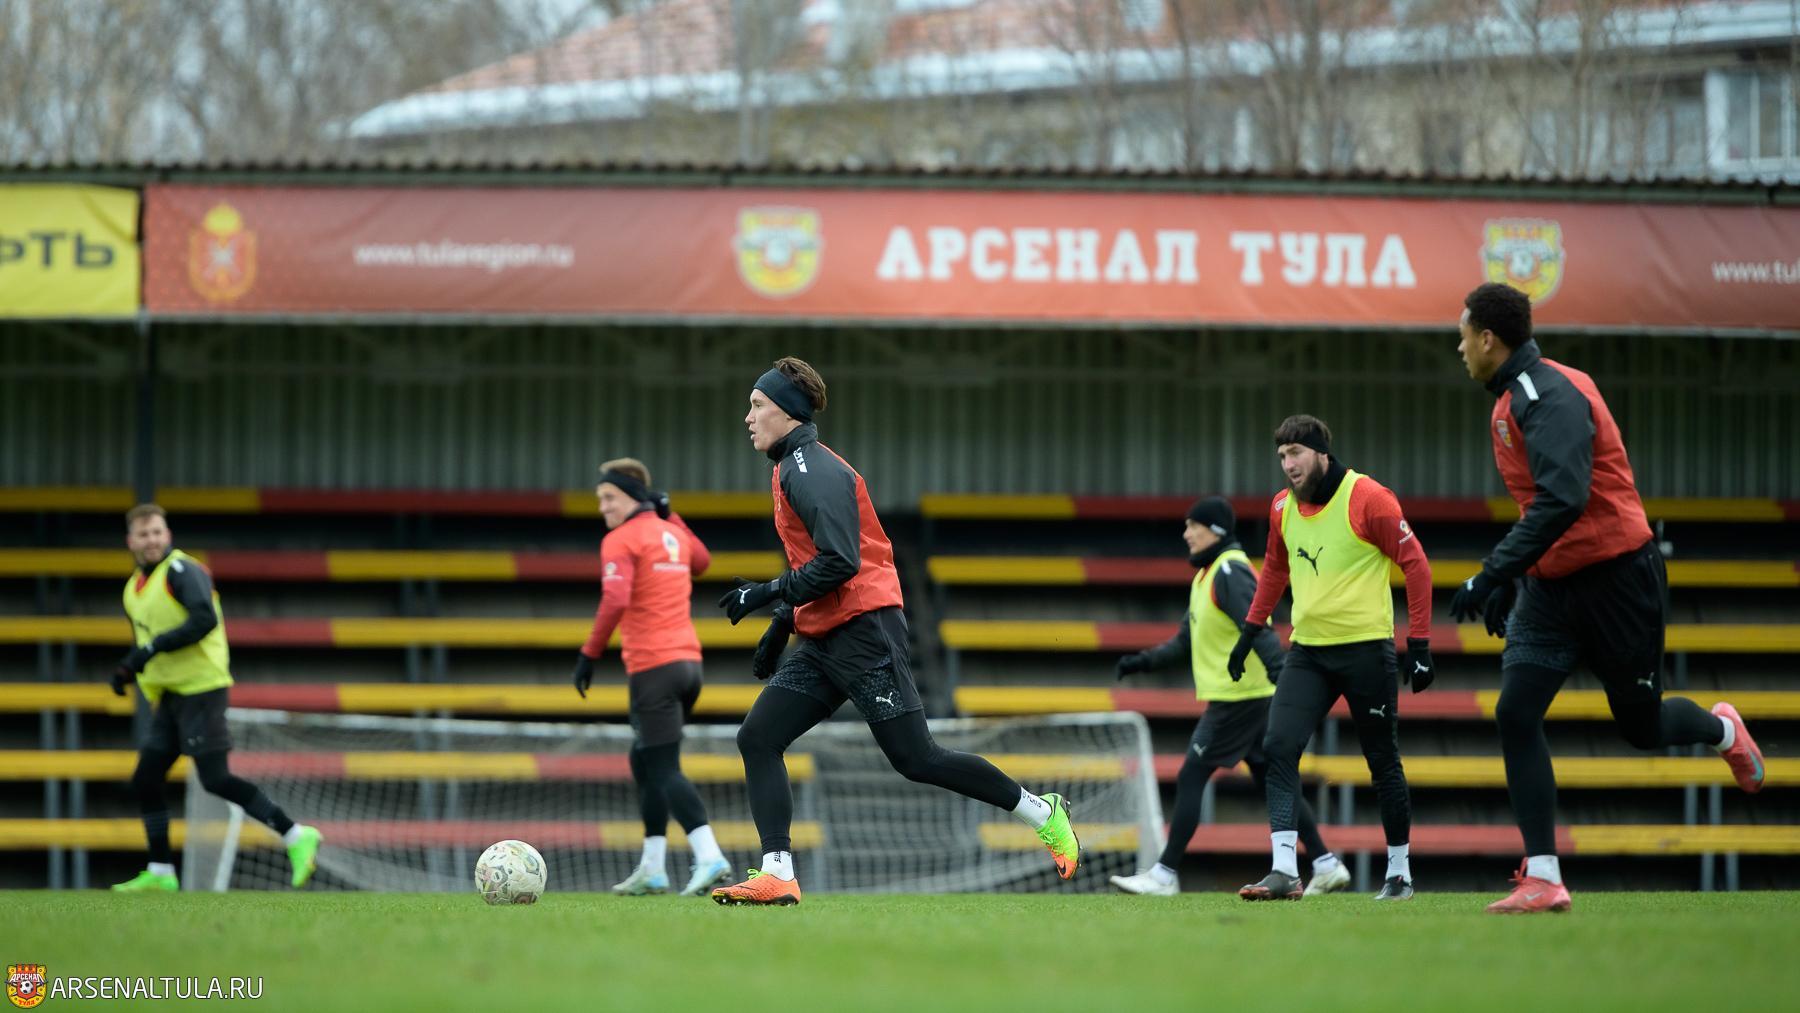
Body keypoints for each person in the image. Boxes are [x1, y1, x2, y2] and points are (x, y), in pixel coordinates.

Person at [709, 356, 1079, 905]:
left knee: (917, 759)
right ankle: (778, 873)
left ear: (787, 412)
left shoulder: (812, 470)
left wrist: (765, 594)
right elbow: (812, 558)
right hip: (826, 635)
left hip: (864, 630)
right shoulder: (791, 466)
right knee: (758, 737)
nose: (748, 416)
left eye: (757, 405)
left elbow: (840, 562)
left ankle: (1042, 812)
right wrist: (781, 625)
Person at [1450, 282, 1764, 914]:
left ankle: (1723, 729)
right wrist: (1518, 576)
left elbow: (1564, 499)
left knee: (1641, 728)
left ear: (1487, 338)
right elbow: (1544, 507)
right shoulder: (1512, 398)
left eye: (1462, 336)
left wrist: (1494, 572)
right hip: (1552, 589)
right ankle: (1544, 877)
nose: (1458, 348)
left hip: (1618, 580)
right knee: (1516, 712)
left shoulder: (1551, 394)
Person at [1230, 415, 1434, 901]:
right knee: (1278, 746)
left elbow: (1417, 565)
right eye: (1282, 456)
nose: (1288, 464)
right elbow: (1274, 570)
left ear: (1322, 453)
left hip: (1367, 651)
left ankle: (1399, 874)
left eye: (1296, 453)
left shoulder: (1369, 498)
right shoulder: (1282, 507)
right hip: (1309, 653)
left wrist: (1420, 645)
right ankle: (1284, 870)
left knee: (1382, 761)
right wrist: (1249, 633)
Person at [1109, 496, 1350, 897]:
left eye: (1194, 526)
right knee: (1275, 781)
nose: (1186, 534)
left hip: (1241, 699)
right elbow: (1185, 640)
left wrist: (1284, 678)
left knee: (1191, 775)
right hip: (1249, 697)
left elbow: (1258, 628)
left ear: (1216, 531)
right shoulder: (1207, 576)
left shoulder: (1229, 571)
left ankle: (1164, 875)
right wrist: (1142, 662)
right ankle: (1326, 863)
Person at [109, 504, 321, 891]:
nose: (152, 540)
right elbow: (150, 639)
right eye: (144, 534)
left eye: (157, 532)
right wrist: (129, 667)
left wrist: (149, 651)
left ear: (167, 535)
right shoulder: (133, 588)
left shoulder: (181, 570)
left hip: (203, 690)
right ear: (131, 541)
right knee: (146, 778)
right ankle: (161, 871)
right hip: (172, 695)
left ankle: (296, 834)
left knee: (215, 779)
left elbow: (204, 618)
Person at [572, 458, 733, 898]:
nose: (603, 507)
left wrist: (589, 653)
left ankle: (709, 856)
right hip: (688, 667)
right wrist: (670, 513)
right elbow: (702, 561)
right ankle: (653, 868)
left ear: (631, 496)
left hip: (654, 669)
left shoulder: (620, 539)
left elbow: (615, 598)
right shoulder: (671, 532)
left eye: (609, 497)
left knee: (662, 767)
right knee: (644, 761)